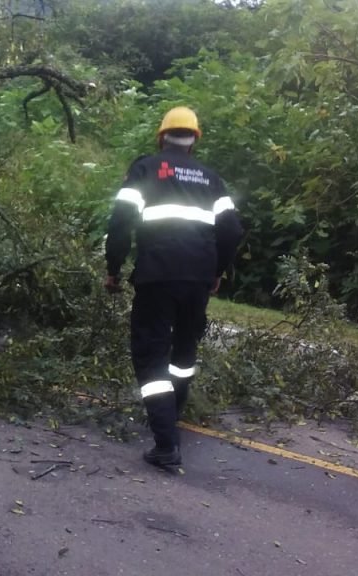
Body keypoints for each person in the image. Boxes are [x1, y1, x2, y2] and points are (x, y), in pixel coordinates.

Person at [104, 106, 243, 467]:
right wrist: (217, 271)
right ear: (193, 141)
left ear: (161, 136)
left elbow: (120, 222)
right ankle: (172, 415)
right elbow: (231, 231)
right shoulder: (211, 179)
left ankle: (166, 444)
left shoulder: (146, 168)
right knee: (183, 352)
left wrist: (114, 268)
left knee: (151, 353)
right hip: (197, 279)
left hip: (156, 276)